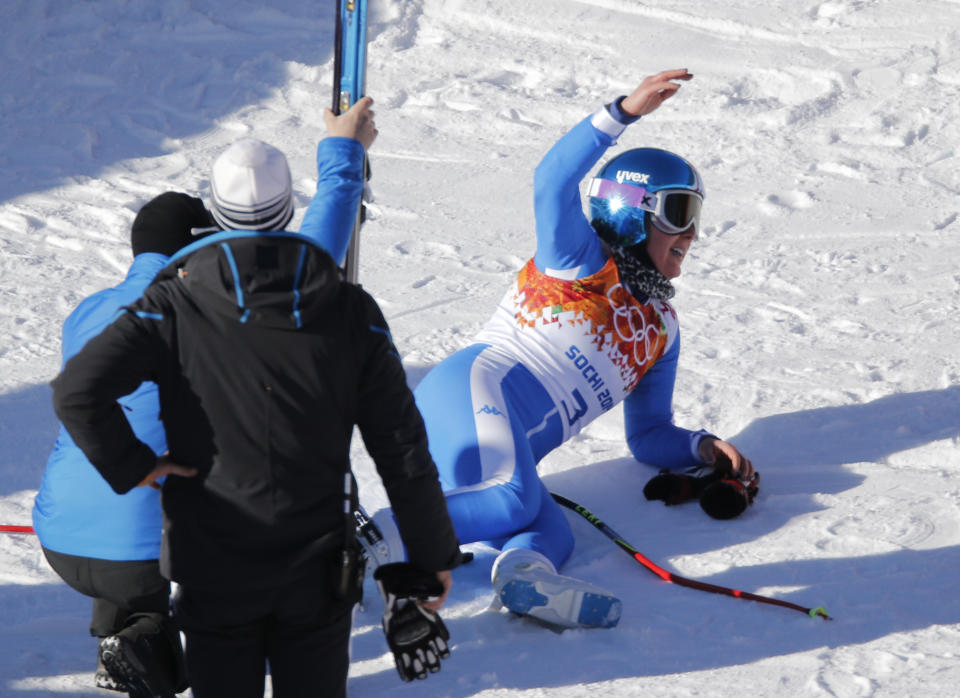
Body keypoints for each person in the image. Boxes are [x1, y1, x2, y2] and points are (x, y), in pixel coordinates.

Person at [50, 97, 462, 698]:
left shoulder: (172, 306)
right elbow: (401, 448)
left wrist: (134, 466)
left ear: (217, 214)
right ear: (288, 209)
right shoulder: (346, 307)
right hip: (315, 566)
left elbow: (78, 393)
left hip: (211, 564)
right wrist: (429, 557)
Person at [364, 69, 757, 630]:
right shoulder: (578, 257)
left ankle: (523, 575)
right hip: (471, 389)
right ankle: (364, 541)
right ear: (631, 208)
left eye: (694, 216)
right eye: (677, 213)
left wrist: (702, 448)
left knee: (547, 529)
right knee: (515, 500)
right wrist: (621, 112)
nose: (691, 234)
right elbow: (550, 180)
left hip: (502, 447)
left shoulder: (661, 330)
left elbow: (648, 436)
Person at [33, 191, 215, 694]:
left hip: (57, 534)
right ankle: (145, 639)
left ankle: (122, 632)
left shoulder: (87, 311)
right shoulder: (199, 317)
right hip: (138, 555)